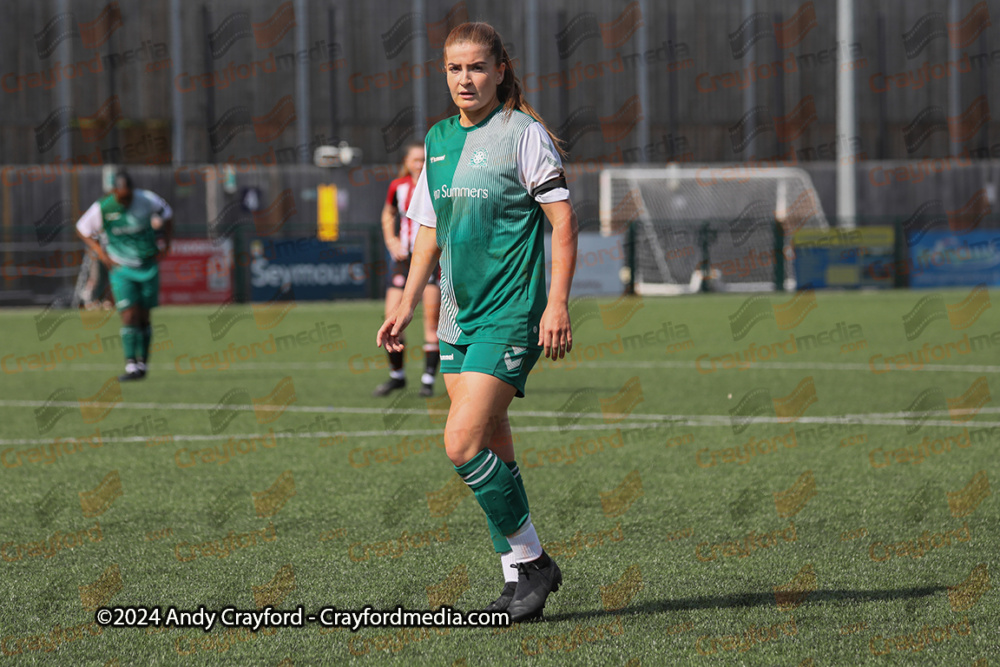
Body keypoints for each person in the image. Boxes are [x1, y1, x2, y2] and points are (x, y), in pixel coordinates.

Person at [377, 22, 578, 622]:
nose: (465, 79)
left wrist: (558, 302)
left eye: (476, 67)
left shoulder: (524, 135)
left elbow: (562, 224)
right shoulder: (438, 140)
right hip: (461, 318)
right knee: (493, 441)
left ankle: (534, 562)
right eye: (454, 68)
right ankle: (519, 580)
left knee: (461, 444)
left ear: (500, 70)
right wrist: (408, 303)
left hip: (512, 314)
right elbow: (430, 233)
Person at [76, 170, 173, 381]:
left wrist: (167, 242)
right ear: (114, 191)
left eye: (128, 196)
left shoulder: (147, 199)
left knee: (145, 316)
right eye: (122, 197)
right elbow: (82, 228)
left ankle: (143, 365)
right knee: (129, 315)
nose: (126, 200)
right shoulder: (103, 207)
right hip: (121, 268)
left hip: (147, 265)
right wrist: (101, 253)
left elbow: (167, 214)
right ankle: (131, 364)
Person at [373, 143, 441, 398]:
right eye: (415, 160)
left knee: (431, 322)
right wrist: (391, 241)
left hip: (430, 258)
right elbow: (388, 213)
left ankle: (427, 380)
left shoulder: (438, 183)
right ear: (406, 161)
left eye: (424, 159)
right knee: (392, 318)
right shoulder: (398, 186)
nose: (420, 164)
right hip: (403, 260)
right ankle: (397, 376)